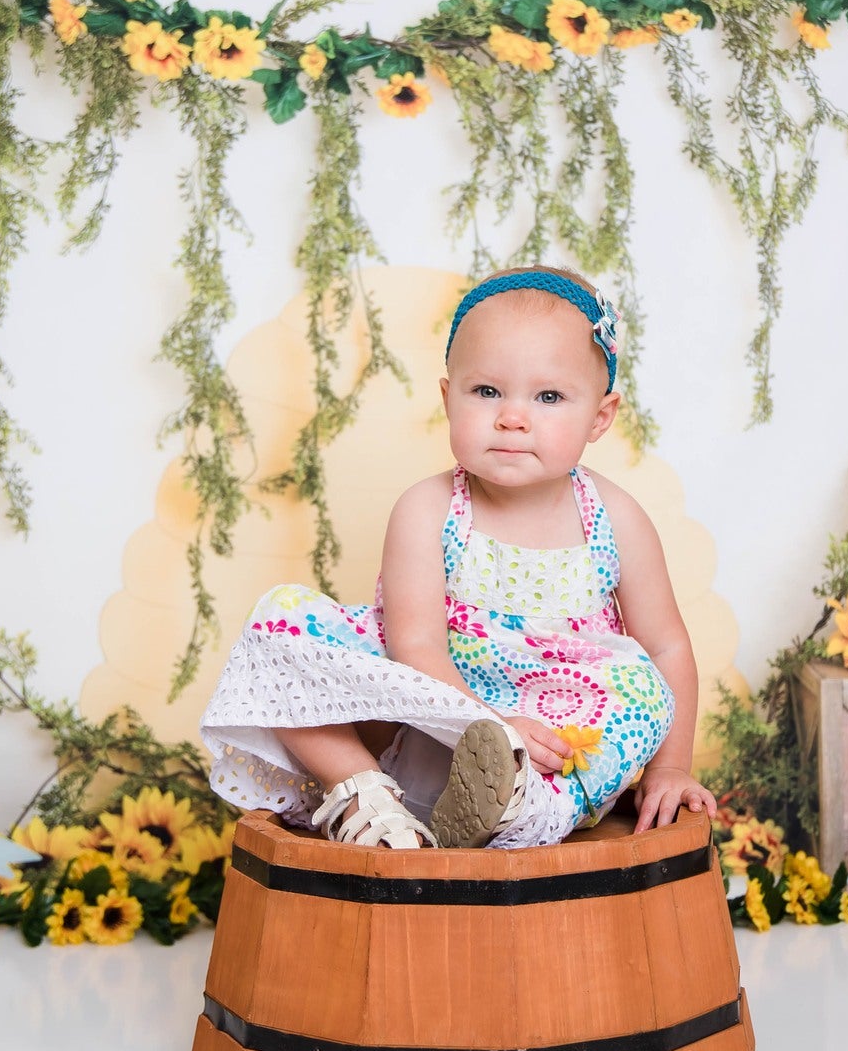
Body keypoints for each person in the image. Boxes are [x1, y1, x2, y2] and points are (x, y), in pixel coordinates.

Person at [200, 264, 716, 850]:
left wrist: (671, 767)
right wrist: (487, 726)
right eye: (487, 391)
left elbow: (668, 645)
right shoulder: (428, 509)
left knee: (644, 688)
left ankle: (522, 807)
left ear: (600, 416)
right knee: (282, 622)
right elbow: (414, 645)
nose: (512, 417)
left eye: (549, 396)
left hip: (554, 729)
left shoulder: (615, 517)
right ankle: (363, 795)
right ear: (449, 398)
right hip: (445, 710)